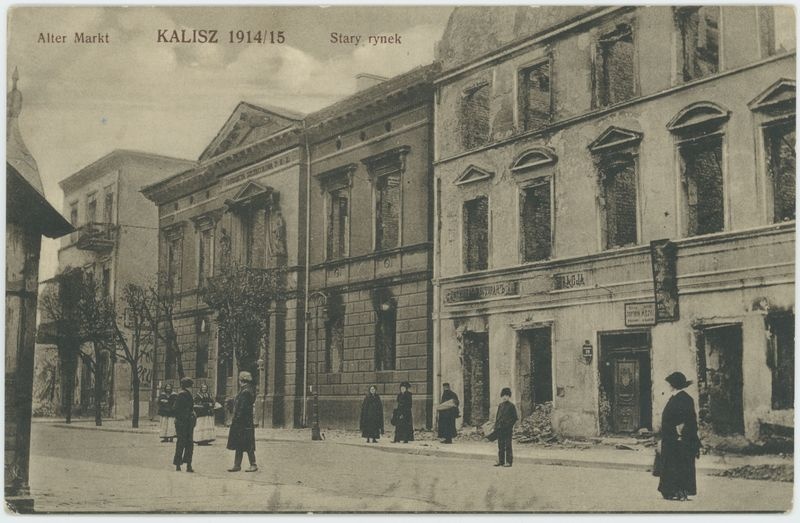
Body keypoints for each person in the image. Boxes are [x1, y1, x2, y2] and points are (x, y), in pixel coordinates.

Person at [658, 371, 701, 501]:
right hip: (672, 438)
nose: (669, 386)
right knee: (674, 465)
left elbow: (688, 420)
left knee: (677, 465)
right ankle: (673, 491)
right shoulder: (679, 397)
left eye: (670, 384)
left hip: (677, 439)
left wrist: (680, 433)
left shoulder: (682, 399)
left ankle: (678, 491)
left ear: (674, 385)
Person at [227, 371, 258, 472]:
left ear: (241, 380)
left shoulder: (245, 392)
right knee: (239, 444)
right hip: (245, 422)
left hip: (243, 423)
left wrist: (236, 419)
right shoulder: (247, 390)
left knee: (248, 444)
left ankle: (253, 464)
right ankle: (237, 465)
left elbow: (242, 408)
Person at [172, 377, 196, 472]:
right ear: (188, 386)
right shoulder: (182, 395)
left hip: (186, 422)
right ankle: (183, 464)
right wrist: (188, 415)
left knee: (185, 443)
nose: (191, 388)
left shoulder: (186, 394)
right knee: (184, 443)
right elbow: (176, 409)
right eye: (191, 386)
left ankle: (184, 464)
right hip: (183, 422)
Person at [493, 387, 518, 467]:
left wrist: (509, 425)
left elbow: (515, 418)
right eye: (503, 395)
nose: (505, 397)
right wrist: (496, 426)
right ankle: (501, 461)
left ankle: (509, 462)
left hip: (507, 429)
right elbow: (497, 417)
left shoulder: (511, 406)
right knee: (500, 445)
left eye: (506, 395)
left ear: (509, 396)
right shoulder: (500, 405)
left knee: (508, 445)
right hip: (500, 428)